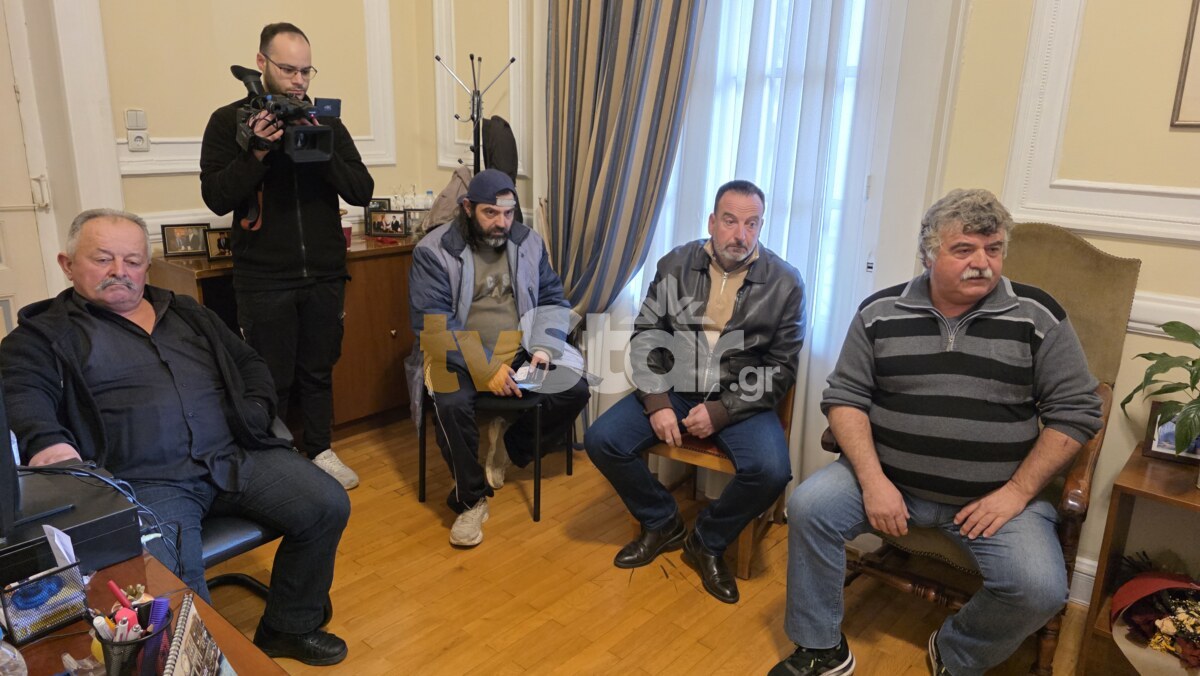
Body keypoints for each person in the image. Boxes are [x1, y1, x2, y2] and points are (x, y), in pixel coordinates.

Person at [770, 189, 1103, 676]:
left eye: (993, 249)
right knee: (809, 506)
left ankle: (956, 652)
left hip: (995, 497)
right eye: (963, 249)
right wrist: (873, 481)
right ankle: (821, 648)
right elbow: (845, 397)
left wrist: (1016, 492)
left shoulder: (1037, 315)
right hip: (887, 479)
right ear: (928, 255)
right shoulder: (879, 313)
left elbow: (1077, 411)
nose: (982, 263)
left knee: (1040, 589)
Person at [0, 209, 351, 666]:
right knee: (172, 582)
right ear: (67, 265)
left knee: (327, 504)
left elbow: (250, 364)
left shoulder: (186, 312)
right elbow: (24, 395)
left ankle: (289, 626)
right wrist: (50, 444)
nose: (119, 271)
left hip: (233, 456)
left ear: (147, 266)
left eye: (132, 261)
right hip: (146, 483)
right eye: (102, 259)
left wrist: (255, 410)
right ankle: (203, 666)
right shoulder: (41, 336)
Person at [585, 179, 806, 604]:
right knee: (602, 439)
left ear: (761, 227)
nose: (740, 235)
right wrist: (657, 402)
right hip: (677, 386)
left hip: (741, 397)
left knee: (772, 471)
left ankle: (707, 541)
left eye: (751, 224)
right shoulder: (675, 264)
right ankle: (662, 521)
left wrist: (723, 411)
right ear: (712, 222)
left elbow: (781, 369)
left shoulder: (785, 282)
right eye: (730, 221)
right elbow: (646, 337)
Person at [200, 22, 374, 490]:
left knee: (318, 371)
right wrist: (257, 152)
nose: (299, 81)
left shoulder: (326, 122)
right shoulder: (228, 121)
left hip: (323, 273)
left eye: (306, 71)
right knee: (268, 377)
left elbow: (361, 190)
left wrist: (319, 144)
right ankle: (273, 459)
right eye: (288, 70)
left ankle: (319, 449)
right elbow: (217, 197)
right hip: (264, 277)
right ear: (262, 63)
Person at [407, 169, 591, 547]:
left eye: (508, 213)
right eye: (490, 213)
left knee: (574, 388)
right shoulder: (433, 250)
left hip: (517, 351)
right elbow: (433, 324)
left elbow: (552, 299)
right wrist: (485, 368)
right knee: (451, 403)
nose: (501, 223)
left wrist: (544, 346)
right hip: (454, 356)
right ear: (468, 208)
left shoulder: (529, 242)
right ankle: (471, 500)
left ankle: (510, 447)